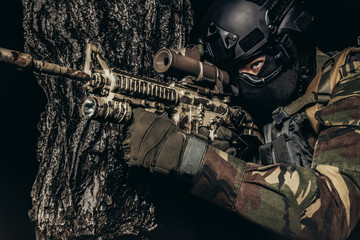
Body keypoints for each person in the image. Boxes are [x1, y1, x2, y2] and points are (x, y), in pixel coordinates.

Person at [122, 0, 360, 239]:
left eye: (255, 65)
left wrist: (193, 159)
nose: (244, 87)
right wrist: (236, 154)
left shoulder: (352, 78)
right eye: (237, 75)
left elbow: (335, 212)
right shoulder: (268, 106)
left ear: (288, 46)